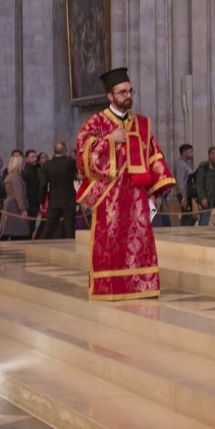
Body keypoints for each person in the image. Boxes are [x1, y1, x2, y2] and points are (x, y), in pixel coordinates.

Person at [75, 67, 176, 300]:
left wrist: (155, 193)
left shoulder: (142, 124)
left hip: (137, 196)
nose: (127, 96)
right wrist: (109, 141)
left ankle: (141, 285)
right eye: (122, 92)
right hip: (109, 196)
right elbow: (82, 155)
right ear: (110, 96)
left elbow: (154, 156)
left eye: (130, 91)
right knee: (110, 241)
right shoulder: (96, 122)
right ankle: (110, 286)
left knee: (139, 242)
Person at [39, 141, 79, 239]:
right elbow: (77, 175)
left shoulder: (47, 165)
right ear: (65, 150)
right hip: (68, 200)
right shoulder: (70, 163)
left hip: (54, 200)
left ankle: (39, 247)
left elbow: (43, 184)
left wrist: (42, 201)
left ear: (54, 151)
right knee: (70, 229)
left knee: (48, 228)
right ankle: (72, 250)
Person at [0, 153, 32, 241]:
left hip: (11, 205)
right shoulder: (15, 177)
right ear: (18, 164)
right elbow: (19, 194)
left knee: (12, 231)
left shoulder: (11, 176)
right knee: (15, 231)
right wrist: (23, 210)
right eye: (23, 163)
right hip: (15, 207)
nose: (25, 165)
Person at [174, 143, 196, 225]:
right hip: (183, 194)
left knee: (189, 214)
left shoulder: (186, 164)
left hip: (187, 193)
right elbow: (180, 181)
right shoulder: (181, 164)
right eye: (191, 152)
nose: (192, 154)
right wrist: (184, 196)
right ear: (184, 152)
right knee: (187, 215)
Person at [22, 149, 42, 225]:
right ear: (26, 159)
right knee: (30, 225)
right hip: (30, 202)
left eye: (36, 157)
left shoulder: (35, 169)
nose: (35, 159)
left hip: (34, 201)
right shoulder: (27, 170)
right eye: (32, 157)